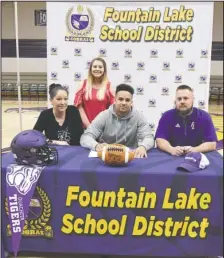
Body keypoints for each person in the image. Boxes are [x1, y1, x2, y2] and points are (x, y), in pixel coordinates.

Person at [80, 84, 155, 158]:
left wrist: (143, 147)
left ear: (131, 102)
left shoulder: (138, 116)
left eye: (127, 100)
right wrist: (96, 146)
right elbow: (86, 137)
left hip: (130, 156)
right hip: (107, 155)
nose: (124, 103)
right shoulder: (104, 115)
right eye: (120, 99)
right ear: (115, 100)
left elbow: (149, 137)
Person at [155, 84, 217, 156]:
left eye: (185, 98)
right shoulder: (167, 116)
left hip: (196, 157)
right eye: (179, 99)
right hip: (171, 156)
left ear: (193, 99)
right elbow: (160, 139)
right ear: (175, 101)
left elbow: (212, 144)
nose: (182, 101)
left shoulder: (204, 116)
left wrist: (195, 150)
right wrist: (171, 149)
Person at [74, 57, 114, 128]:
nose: (97, 69)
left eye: (100, 67)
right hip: (85, 128)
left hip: (103, 128)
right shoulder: (83, 84)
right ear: (90, 69)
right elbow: (78, 107)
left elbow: (113, 108)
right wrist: (88, 126)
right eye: (95, 66)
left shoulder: (109, 86)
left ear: (104, 70)